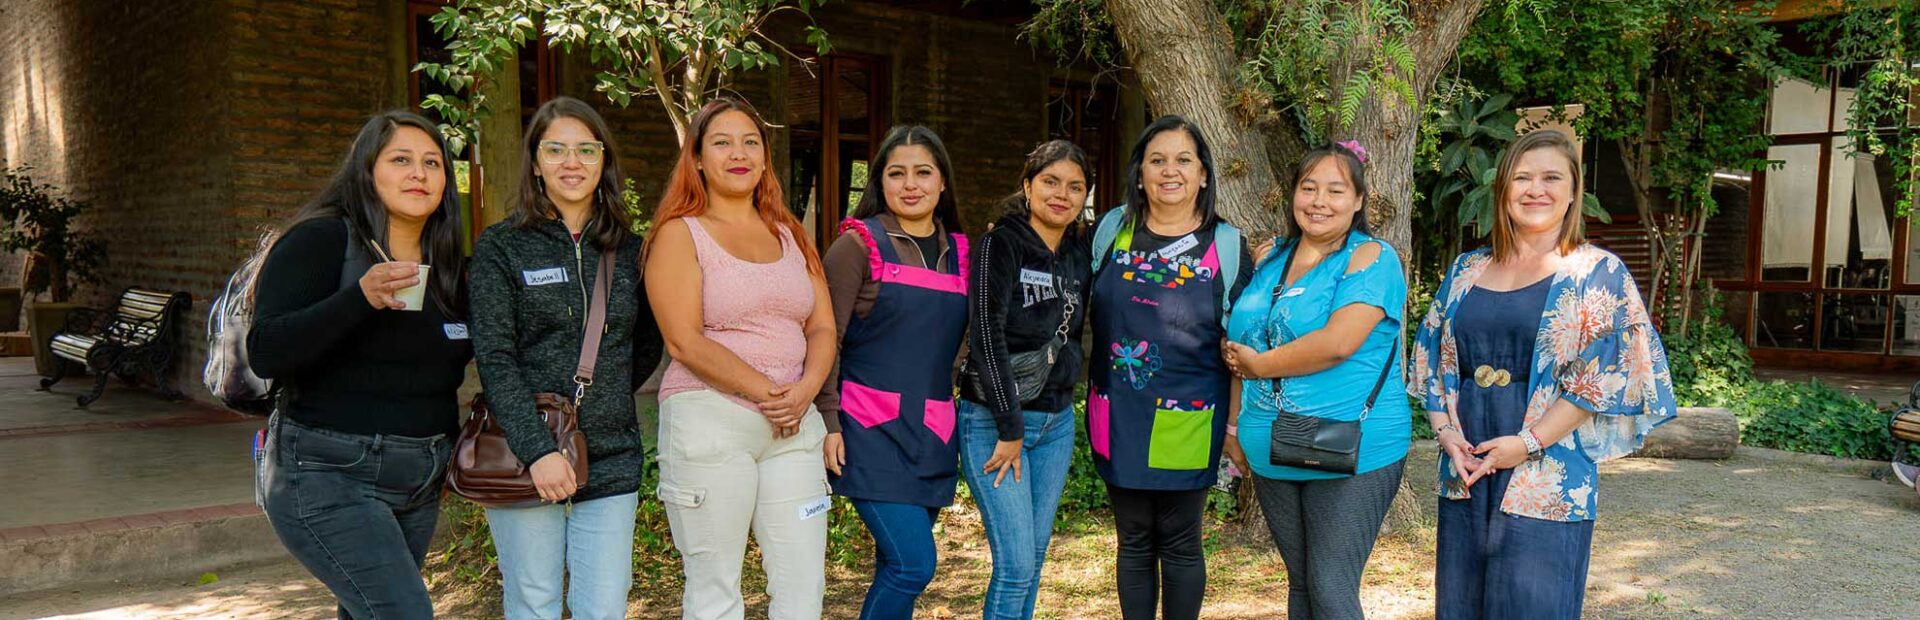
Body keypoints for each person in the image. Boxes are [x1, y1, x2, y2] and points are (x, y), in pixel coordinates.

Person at [1408, 129, 1677, 619]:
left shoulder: (1599, 272)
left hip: (1547, 470)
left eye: (1551, 177)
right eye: (1522, 177)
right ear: (1502, 190)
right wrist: (1446, 436)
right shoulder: (1466, 269)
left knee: (1533, 604)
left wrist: (1527, 442)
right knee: (1462, 604)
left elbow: (1601, 378)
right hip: (1466, 465)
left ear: (1574, 191)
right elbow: (1432, 360)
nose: (1536, 189)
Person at [250, 111, 471, 619]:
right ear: (367, 170)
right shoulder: (321, 241)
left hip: (420, 477)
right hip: (327, 472)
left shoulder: (452, 267)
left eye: (432, 163)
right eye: (401, 160)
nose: (419, 173)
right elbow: (267, 350)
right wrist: (359, 298)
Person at [469, 96, 664, 620]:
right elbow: (494, 356)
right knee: (534, 602)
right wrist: (538, 450)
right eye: (555, 149)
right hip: (523, 455)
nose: (571, 162)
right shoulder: (502, 248)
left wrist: (601, 396)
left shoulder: (633, 251)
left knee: (603, 608)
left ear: (604, 162)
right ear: (535, 162)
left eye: (586, 149)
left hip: (611, 454)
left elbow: (646, 343)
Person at [644, 96, 836, 620]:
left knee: (804, 586)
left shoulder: (790, 232)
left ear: (765, 158)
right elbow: (683, 340)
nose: (739, 153)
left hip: (794, 428)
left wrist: (803, 392)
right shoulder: (679, 233)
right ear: (698, 158)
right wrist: (770, 393)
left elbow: (821, 325)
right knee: (715, 592)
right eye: (722, 142)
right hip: (711, 421)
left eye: (751, 142)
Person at [1221, 141, 1410, 620]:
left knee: (1330, 585)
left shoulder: (1371, 257)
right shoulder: (1271, 258)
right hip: (1271, 444)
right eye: (1308, 188)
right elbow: (1240, 346)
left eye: (1335, 190)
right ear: (1293, 195)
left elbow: (1338, 343)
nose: (1319, 201)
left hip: (1353, 447)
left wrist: (1262, 365)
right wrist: (1233, 425)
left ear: (1359, 201)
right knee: (1302, 585)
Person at [1085, 116, 1253, 620]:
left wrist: (1233, 425)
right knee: (1133, 541)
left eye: (1184, 160)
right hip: (1116, 412)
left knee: (1180, 543)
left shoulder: (1227, 243)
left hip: (1192, 414)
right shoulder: (1112, 229)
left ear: (1203, 175)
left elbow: (1239, 345)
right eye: (1157, 160)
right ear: (1139, 174)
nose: (1169, 171)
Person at [814, 124, 970, 619]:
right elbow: (824, 339)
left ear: (942, 182)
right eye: (896, 173)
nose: (910, 184)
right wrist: (829, 421)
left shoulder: (965, 255)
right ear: (878, 182)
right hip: (867, 430)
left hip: (932, 433)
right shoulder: (856, 247)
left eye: (923, 172)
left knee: (893, 565)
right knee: (913, 565)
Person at [958, 139, 1094, 620]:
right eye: (1051, 182)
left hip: (1055, 425)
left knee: (1033, 561)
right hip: (995, 424)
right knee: (1015, 564)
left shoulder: (1080, 252)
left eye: (1075, 187)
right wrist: (1010, 428)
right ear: (1027, 185)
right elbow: (985, 336)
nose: (1062, 194)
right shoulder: (1001, 243)